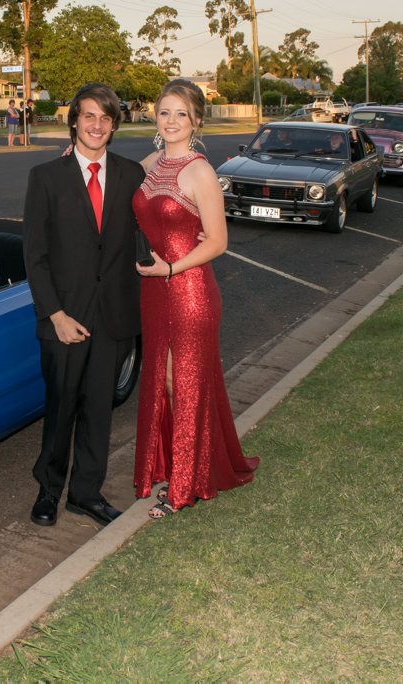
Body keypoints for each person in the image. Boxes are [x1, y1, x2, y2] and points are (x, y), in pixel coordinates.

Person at [131, 79, 259, 518]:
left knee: (180, 382)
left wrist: (171, 267)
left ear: (197, 120)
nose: (171, 121)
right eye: (165, 111)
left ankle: (182, 487)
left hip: (189, 292)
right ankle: (179, 467)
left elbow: (218, 241)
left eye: (181, 113)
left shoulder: (200, 171)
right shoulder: (149, 163)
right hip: (154, 291)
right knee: (162, 381)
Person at [22, 83, 146, 527]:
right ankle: (49, 491)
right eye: (89, 116)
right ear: (74, 119)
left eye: (106, 118)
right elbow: (34, 256)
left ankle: (86, 494)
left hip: (113, 318)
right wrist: (55, 315)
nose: (97, 125)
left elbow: (149, 234)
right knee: (60, 410)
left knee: (98, 411)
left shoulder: (134, 176)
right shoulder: (46, 178)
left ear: (114, 126)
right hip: (63, 319)